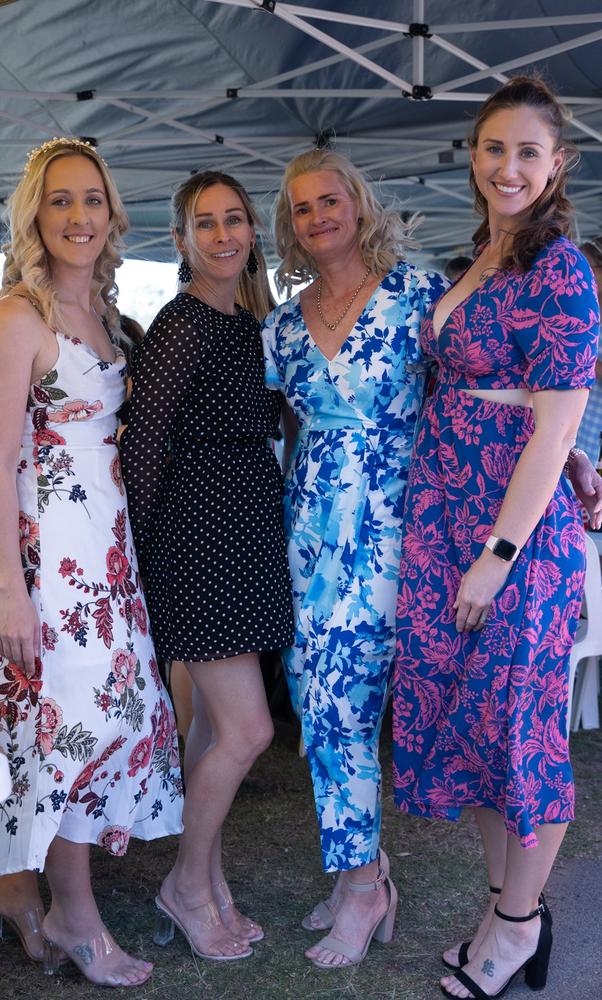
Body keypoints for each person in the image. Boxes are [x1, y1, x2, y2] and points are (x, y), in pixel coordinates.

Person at [391, 76, 600, 1000]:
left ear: (557, 165)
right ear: (471, 157)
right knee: (469, 728)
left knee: (522, 731)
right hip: (445, 519)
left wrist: (498, 555)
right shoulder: (480, 254)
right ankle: (502, 908)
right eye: (492, 148)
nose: (507, 167)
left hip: (511, 538)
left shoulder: (563, 268)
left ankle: (516, 927)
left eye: (527, 152)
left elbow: (557, 427)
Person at [0, 137, 183, 987]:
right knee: (71, 732)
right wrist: (12, 596)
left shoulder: (106, 314)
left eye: (92, 199)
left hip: (110, 559)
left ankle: (21, 890)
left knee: (112, 724)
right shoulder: (17, 317)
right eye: (60, 200)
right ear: (35, 214)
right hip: (49, 572)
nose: (79, 216)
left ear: (110, 213)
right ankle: (76, 920)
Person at [262, 148, 449, 969]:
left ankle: (366, 884)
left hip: (392, 525)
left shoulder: (416, 295)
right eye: (302, 209)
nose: (318, 217)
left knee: (345, 699)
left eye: (329, 201)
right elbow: (274, 427)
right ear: (292, 229)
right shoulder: (280, 325)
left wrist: (572, 459)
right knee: (315, 696)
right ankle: (354, 871)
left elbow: (473, 392)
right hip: (309, 528)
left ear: (357, 204)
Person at [119, 170, 293, 961]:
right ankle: (186, 886)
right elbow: (143, 447)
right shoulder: (181, 325)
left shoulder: (241, 322)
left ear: (252, 231)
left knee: (212, 728)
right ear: (182, 239)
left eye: (235, 220)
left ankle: (211, 878)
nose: (224, 235)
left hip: (243, 542)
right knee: (250, 731)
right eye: (206, 223)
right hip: (197, 548)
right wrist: (149, 563)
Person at [574, 239, 602, 467]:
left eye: (585, 265)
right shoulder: (582, 310)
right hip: (576, 426)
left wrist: (573, 358)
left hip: (594, 427)